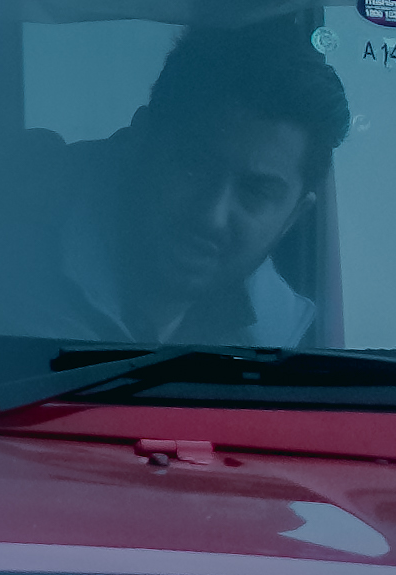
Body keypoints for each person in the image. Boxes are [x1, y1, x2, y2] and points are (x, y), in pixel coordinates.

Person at [52, 24, 348, 348]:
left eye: (256, 191)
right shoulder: (2, 259)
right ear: (138, 141)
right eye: (194, 167)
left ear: (292, 217)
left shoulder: (282, 338)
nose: (212, 215)